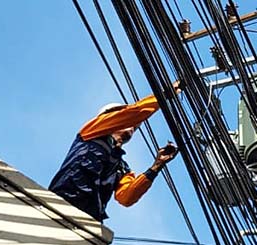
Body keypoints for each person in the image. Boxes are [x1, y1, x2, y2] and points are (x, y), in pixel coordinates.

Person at [49, 88, 179, 222]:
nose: (132, 126)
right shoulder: (92, 131)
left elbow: (126, 197)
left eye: (135, 126)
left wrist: (157, 166)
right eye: (126, 119)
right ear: (107, 117)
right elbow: (134, 113)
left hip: (88, 219)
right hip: (61, 202)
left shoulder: (121, 167)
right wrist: (169, 92)